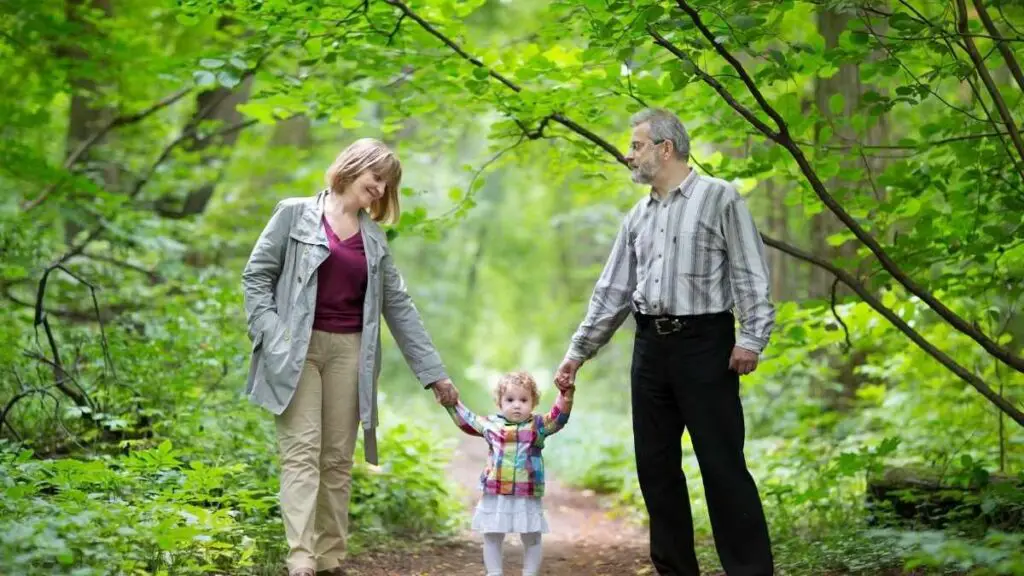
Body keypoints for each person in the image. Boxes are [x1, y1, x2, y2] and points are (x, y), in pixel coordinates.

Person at [554, 108, 776, 576]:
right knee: (655, 469)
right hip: (650, 348)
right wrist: (578, 352)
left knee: (722, 466)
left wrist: (751, 337)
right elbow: (613, 292)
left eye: (636, 146)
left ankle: (750, 571)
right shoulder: (637, 216)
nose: (628, 155)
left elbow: (750, 273)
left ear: (665, 148)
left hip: (706, 346)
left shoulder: (721, 199)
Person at [241, 138, 459, 576]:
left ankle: (330, 559)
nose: (379, 189)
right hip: (295, 350)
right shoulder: (293, 213)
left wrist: (434, 374)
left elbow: (399, 307)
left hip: (350, 354)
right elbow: (256, 277)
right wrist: (273, 335)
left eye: (387, 185)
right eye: (375, 177)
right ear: (352, 167)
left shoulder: (374, 239)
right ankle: (300, 561)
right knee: (301, 452)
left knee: (337, 459)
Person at [445, 371, 574, 576]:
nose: (517, 405)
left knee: (532, 536)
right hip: (497, 490)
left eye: (524, 400)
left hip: (526, 491)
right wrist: (451, 403)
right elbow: (467, 420)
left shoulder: (538, 426)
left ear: (533, 403)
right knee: (492, 534)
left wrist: (565, 393)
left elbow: (559, 417)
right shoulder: (491, 424)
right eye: (510, 399)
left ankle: (529, 573)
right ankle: (494, 572)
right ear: (500, 403)